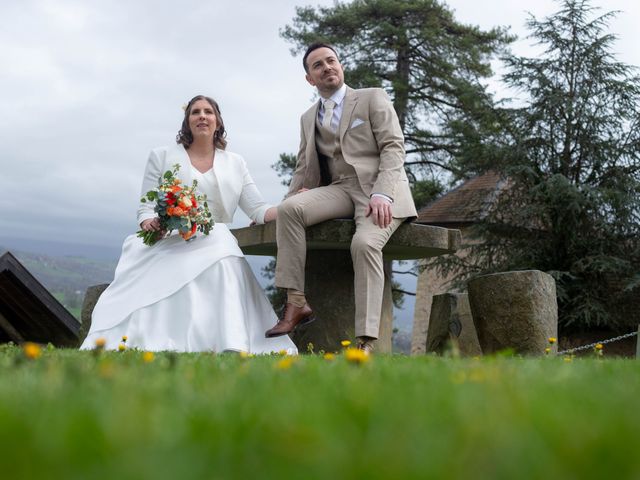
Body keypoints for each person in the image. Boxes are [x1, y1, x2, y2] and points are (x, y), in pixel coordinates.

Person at [81, 95, 297, 354]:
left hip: (212, 235)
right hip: (170, 237)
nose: (202, 116)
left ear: (218, 121)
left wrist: (291, 206)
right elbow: (145, 208)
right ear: (187, 121)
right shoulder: (161, 156)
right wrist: (150, 222)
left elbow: (258, 209)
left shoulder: (236, 163)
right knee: (215, 246)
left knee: (222, 244)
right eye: (195, 112)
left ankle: (227, 339)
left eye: (208, 112)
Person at [264, 43, 417, 354]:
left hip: (380, 190)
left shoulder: (372, 98)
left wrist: (383, 193)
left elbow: (393, 146)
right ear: (310, 78)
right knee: (291, 209)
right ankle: (296, 302)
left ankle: (366, 341)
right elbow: (303, 165)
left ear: (341, 65)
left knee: (364, 244)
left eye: (331, 60)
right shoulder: (308, 118)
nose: (327, 67)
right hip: (340, 188)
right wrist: (295, 195)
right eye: (318, 65)